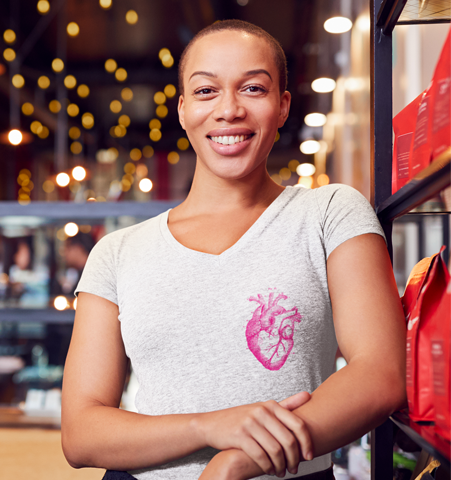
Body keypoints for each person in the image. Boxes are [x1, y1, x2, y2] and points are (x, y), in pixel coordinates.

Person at [61, 20, 407, 480]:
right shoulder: (118, 251)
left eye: (253, 88)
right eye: (206, 92)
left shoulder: (329, 212)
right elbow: (81, 432)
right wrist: (211, 428)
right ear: (183, 110)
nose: (229, 110)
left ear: (282, 105)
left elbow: (381, 374)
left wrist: (237, 460)